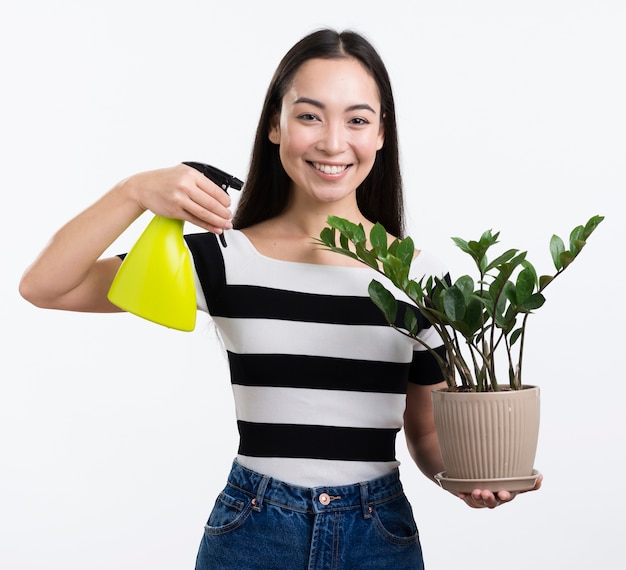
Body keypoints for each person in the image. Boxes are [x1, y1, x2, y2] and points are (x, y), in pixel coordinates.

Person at [20, 28, 540, 570]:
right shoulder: (222, 259)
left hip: (378, 535)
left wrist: (464, 482)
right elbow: (46, 285)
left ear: (382, 133)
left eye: (357, 119)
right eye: (310, 115)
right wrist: (133, 192)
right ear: (275, 124)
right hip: (253, 532)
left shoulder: (421, 279)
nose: (333, 142)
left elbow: (427, 431)